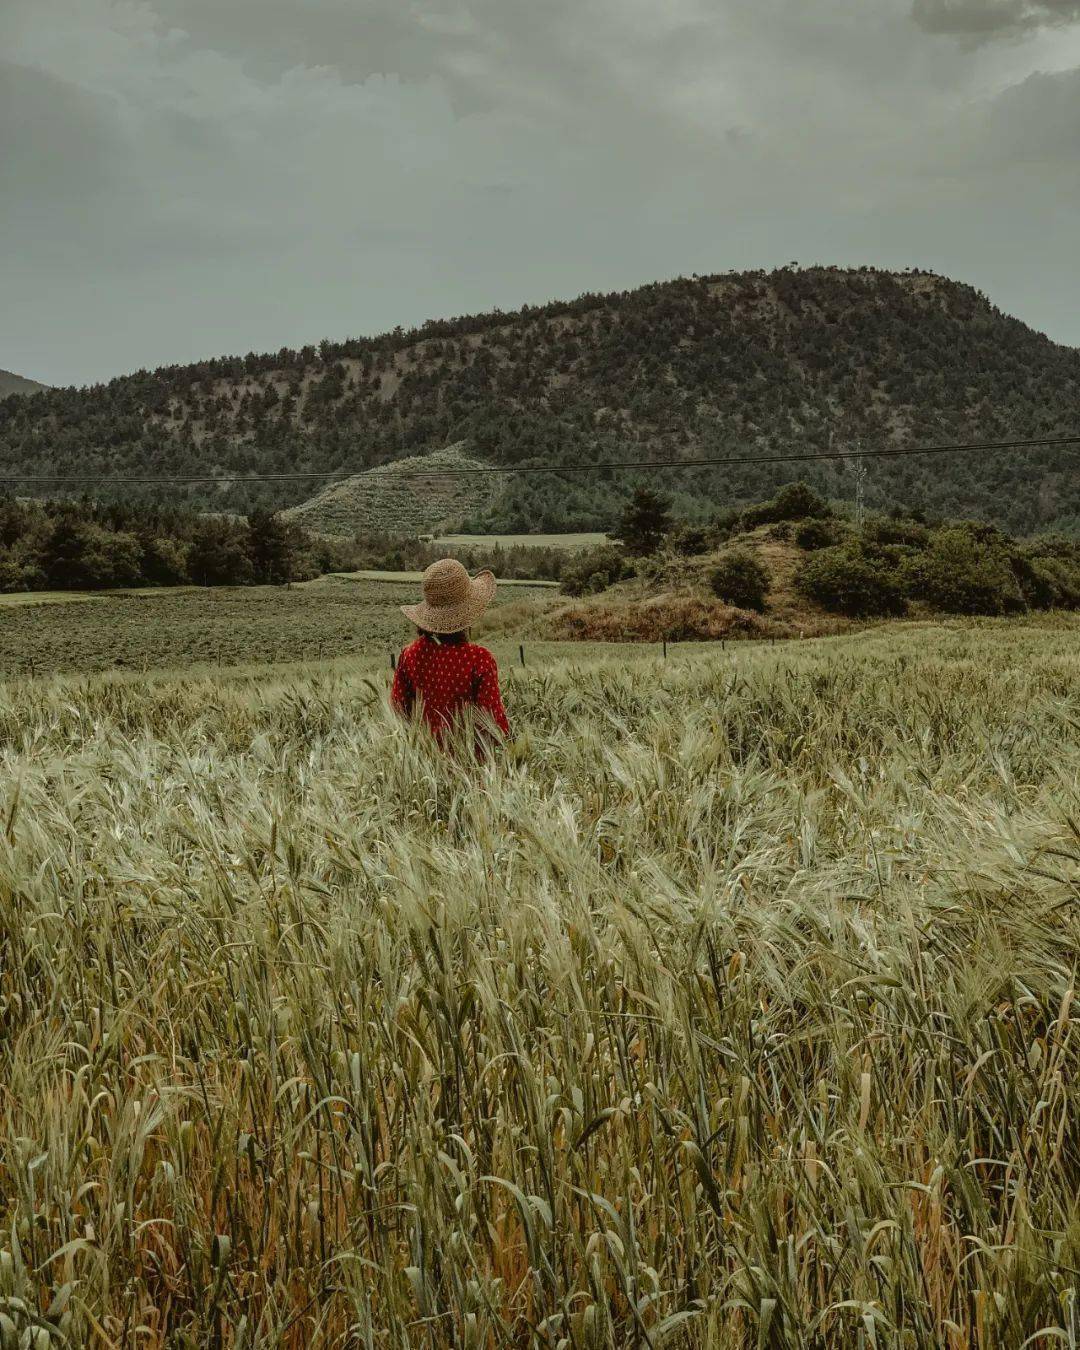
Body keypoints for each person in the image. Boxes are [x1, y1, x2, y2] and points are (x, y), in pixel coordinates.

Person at [390, 558, 509, 752]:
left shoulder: (409, 655)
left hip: (420, 765)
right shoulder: (479, 660)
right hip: (472, 771)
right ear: (469, 610)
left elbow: (398, 711)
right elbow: (495, 727)